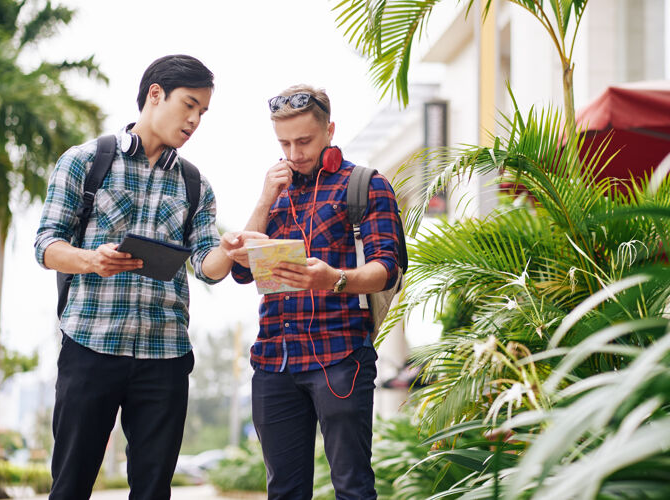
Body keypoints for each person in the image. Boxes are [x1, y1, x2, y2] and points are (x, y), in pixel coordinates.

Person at [34, 54, 263, 500]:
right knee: (70, 485)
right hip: (90, 347)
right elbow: (45, 245)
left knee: (154, 490)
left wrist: (227, 251)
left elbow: (206, 268)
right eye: (190, 105)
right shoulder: (85, 162)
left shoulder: (195, 185)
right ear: (155, 94)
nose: (195, 120)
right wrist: (90, 259)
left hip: (166, 356)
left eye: (203, 112)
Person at [232, 84, 402, 499]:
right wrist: (263, 198)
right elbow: (241, 273)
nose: (293, 153)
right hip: (274, 361)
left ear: (329, 132)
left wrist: (335, 279)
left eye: (304, 141)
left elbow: (388, 268)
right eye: (284, 143)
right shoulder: (275, 193)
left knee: (352, 487)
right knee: (284, 491)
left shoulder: (366, 185)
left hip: (340, 355)